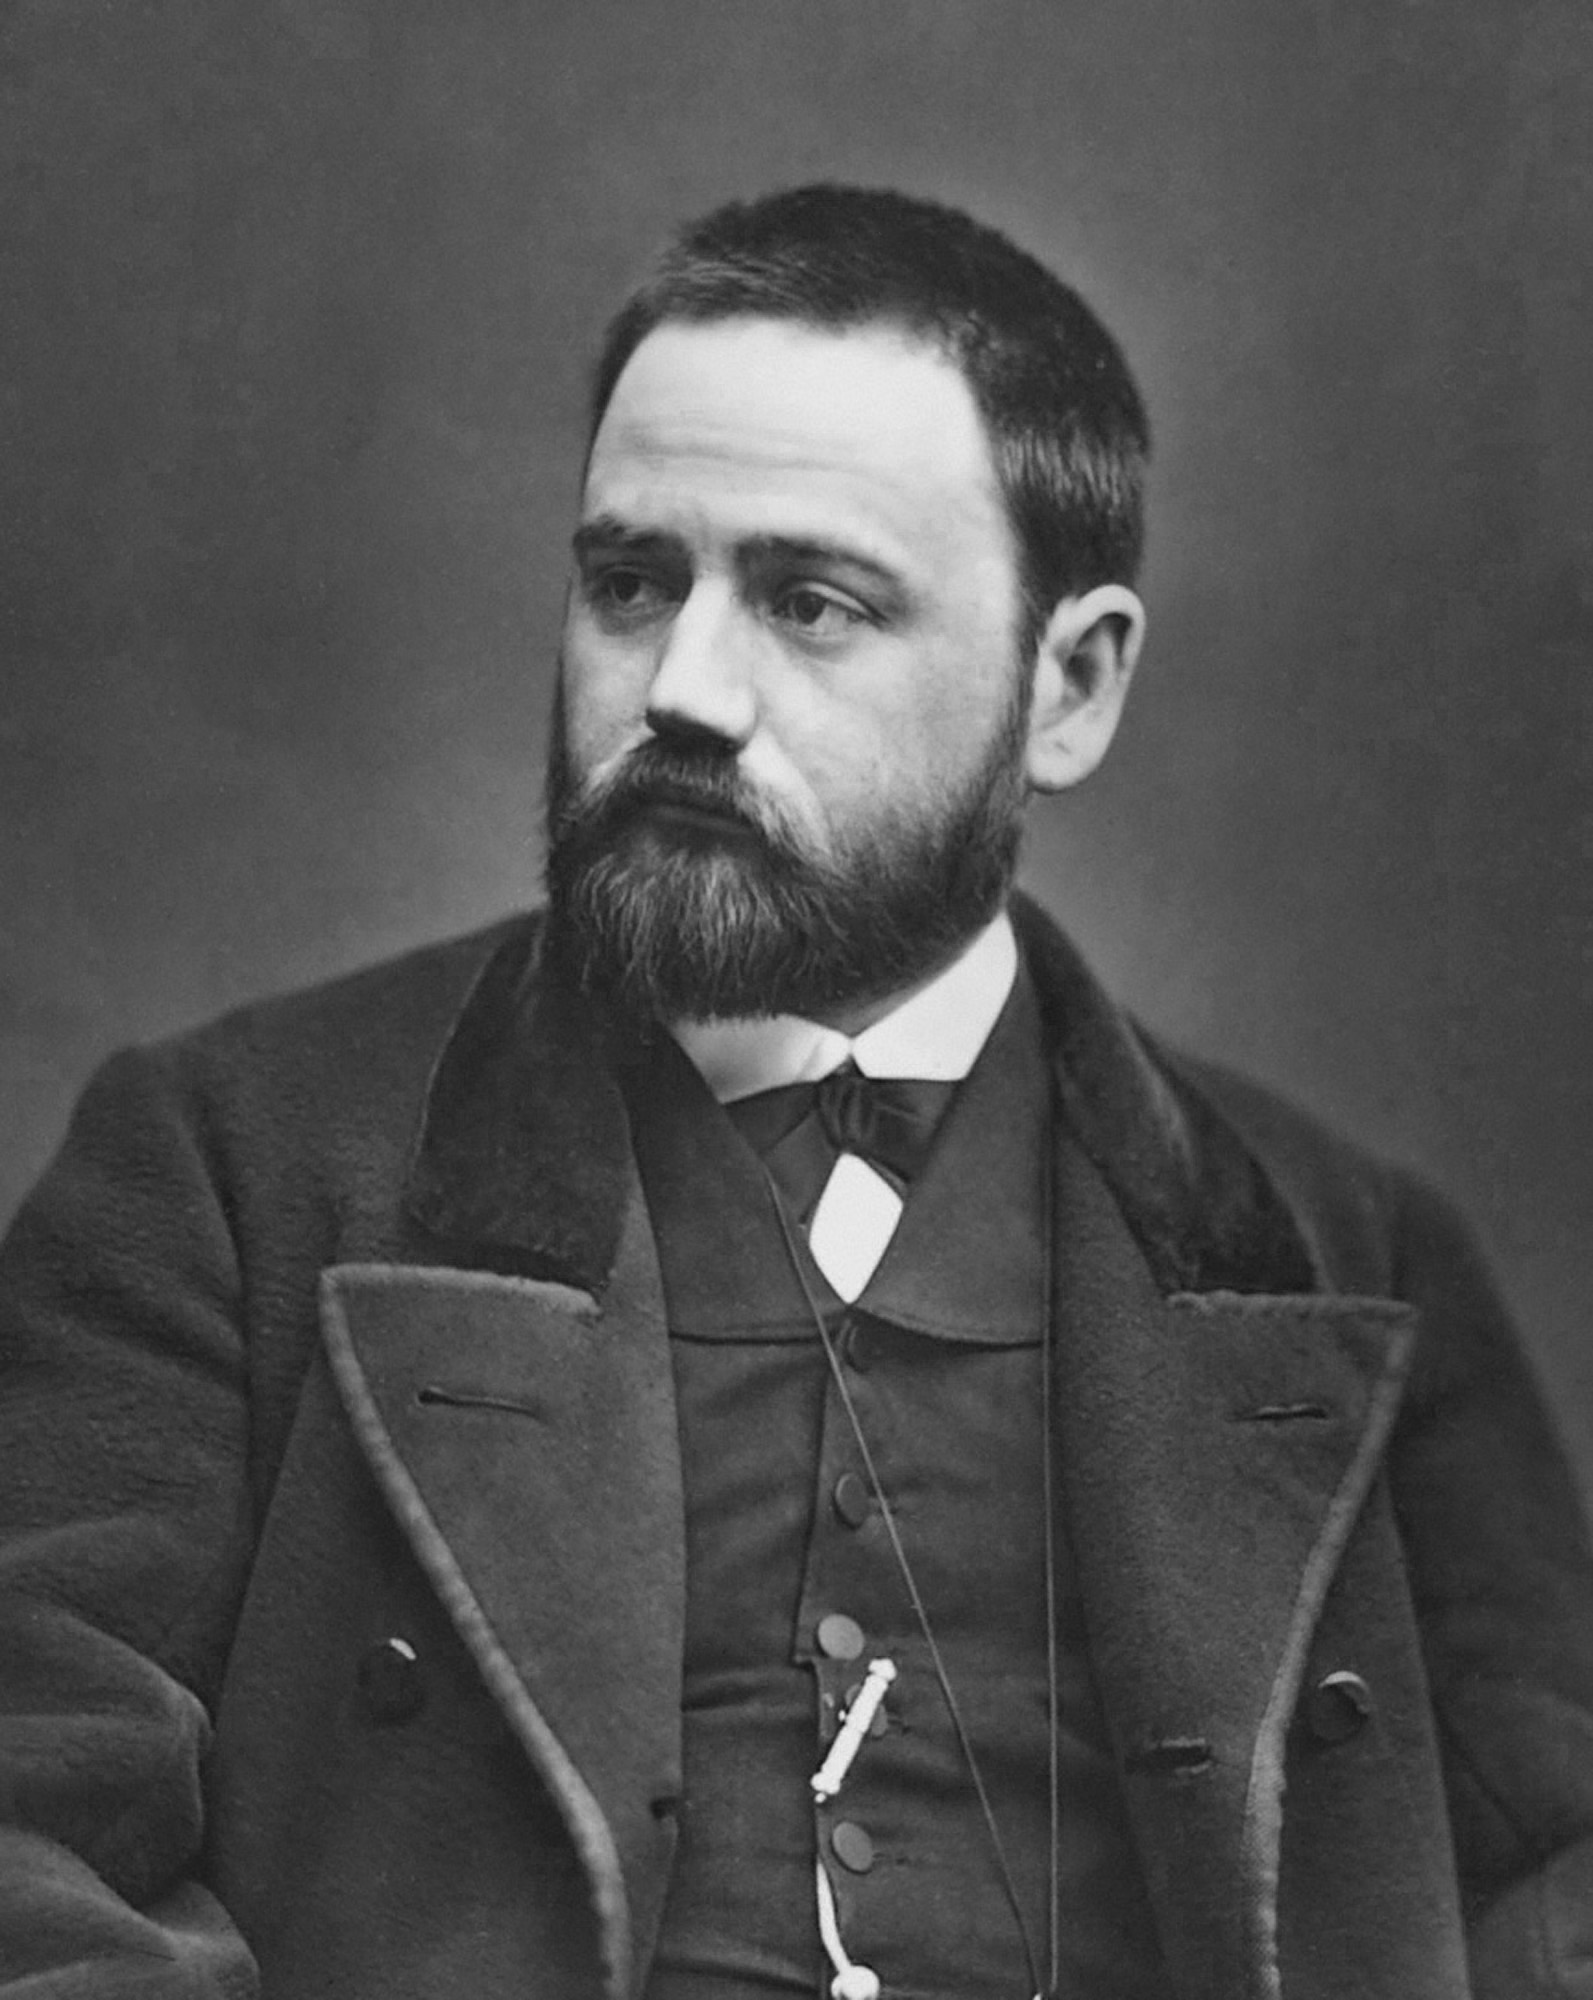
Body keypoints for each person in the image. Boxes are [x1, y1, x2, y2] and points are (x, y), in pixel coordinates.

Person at [1, 183, 1590, 2000]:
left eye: (810, 603)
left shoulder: (1343, 1255)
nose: (681, 689)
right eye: (629, 583)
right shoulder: (231, 1170)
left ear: (1068, 688)